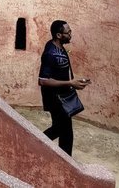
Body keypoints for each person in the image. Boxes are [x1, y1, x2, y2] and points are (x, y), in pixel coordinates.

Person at [38, 20, 90, 156]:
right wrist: (70, 83)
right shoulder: (50, 53)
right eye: (68, 32)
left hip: (61, 97)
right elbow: (43, 81)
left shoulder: (58, 46)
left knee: (59, 129)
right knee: (66, 133)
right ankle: (65, 161)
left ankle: (37, 146)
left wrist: (74, 81)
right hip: (55, 99)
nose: (71, 34)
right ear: (59, 35)